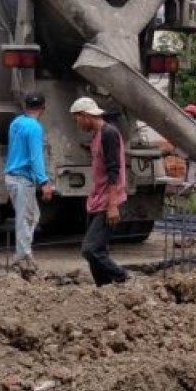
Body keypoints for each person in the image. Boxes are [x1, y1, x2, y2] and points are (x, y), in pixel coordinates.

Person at [69, 97, 129, 286]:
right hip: (97, 199)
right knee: (99, 250)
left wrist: (112, 204)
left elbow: (114, 170)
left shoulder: (108, 134)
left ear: (86, 116)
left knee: (90, 249)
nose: (77, 124)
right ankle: (104, 289)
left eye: (77, 119)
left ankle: (121, 276)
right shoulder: (97, 135)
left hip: (109, 200)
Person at [3, 92, 54, 273]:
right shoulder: (34, 128)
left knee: (32, 216)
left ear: (25, 106)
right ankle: (22, 255)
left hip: (12, 176)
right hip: (23, 179)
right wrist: (45, 182)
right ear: (44, 108)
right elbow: (35, 157)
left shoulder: (16, 123)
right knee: (25, 218)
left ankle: (24, 253)